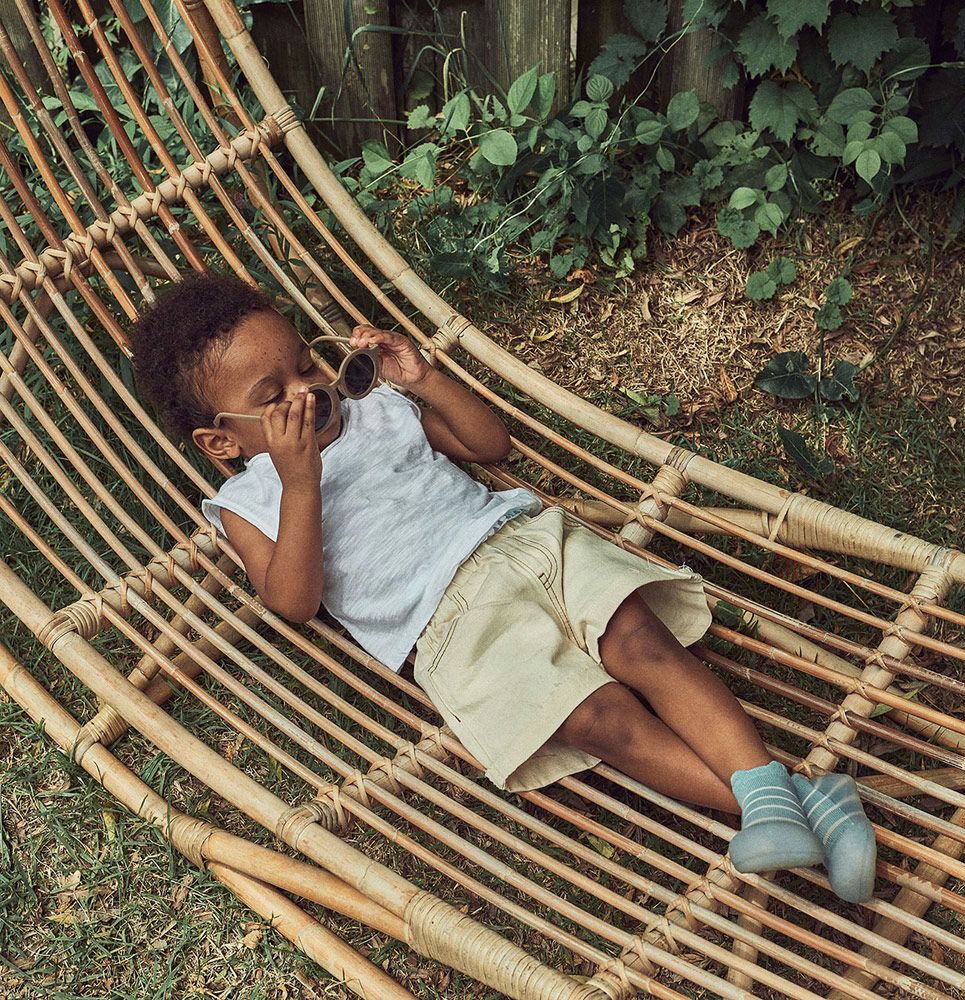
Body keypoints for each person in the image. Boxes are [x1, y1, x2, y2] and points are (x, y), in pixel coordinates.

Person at [130, 271, 876, 901]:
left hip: (525, 543)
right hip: (453, 626)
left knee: (640, 643)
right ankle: (801, 802)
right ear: (221, 441)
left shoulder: (375, 410)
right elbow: (291, 601)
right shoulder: (250, 501)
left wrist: (422, 380)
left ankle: (769, 797)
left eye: (306, 364)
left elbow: (489, 446)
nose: (308, 391)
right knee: (598, 720)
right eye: (275, 396)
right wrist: (301, 483)